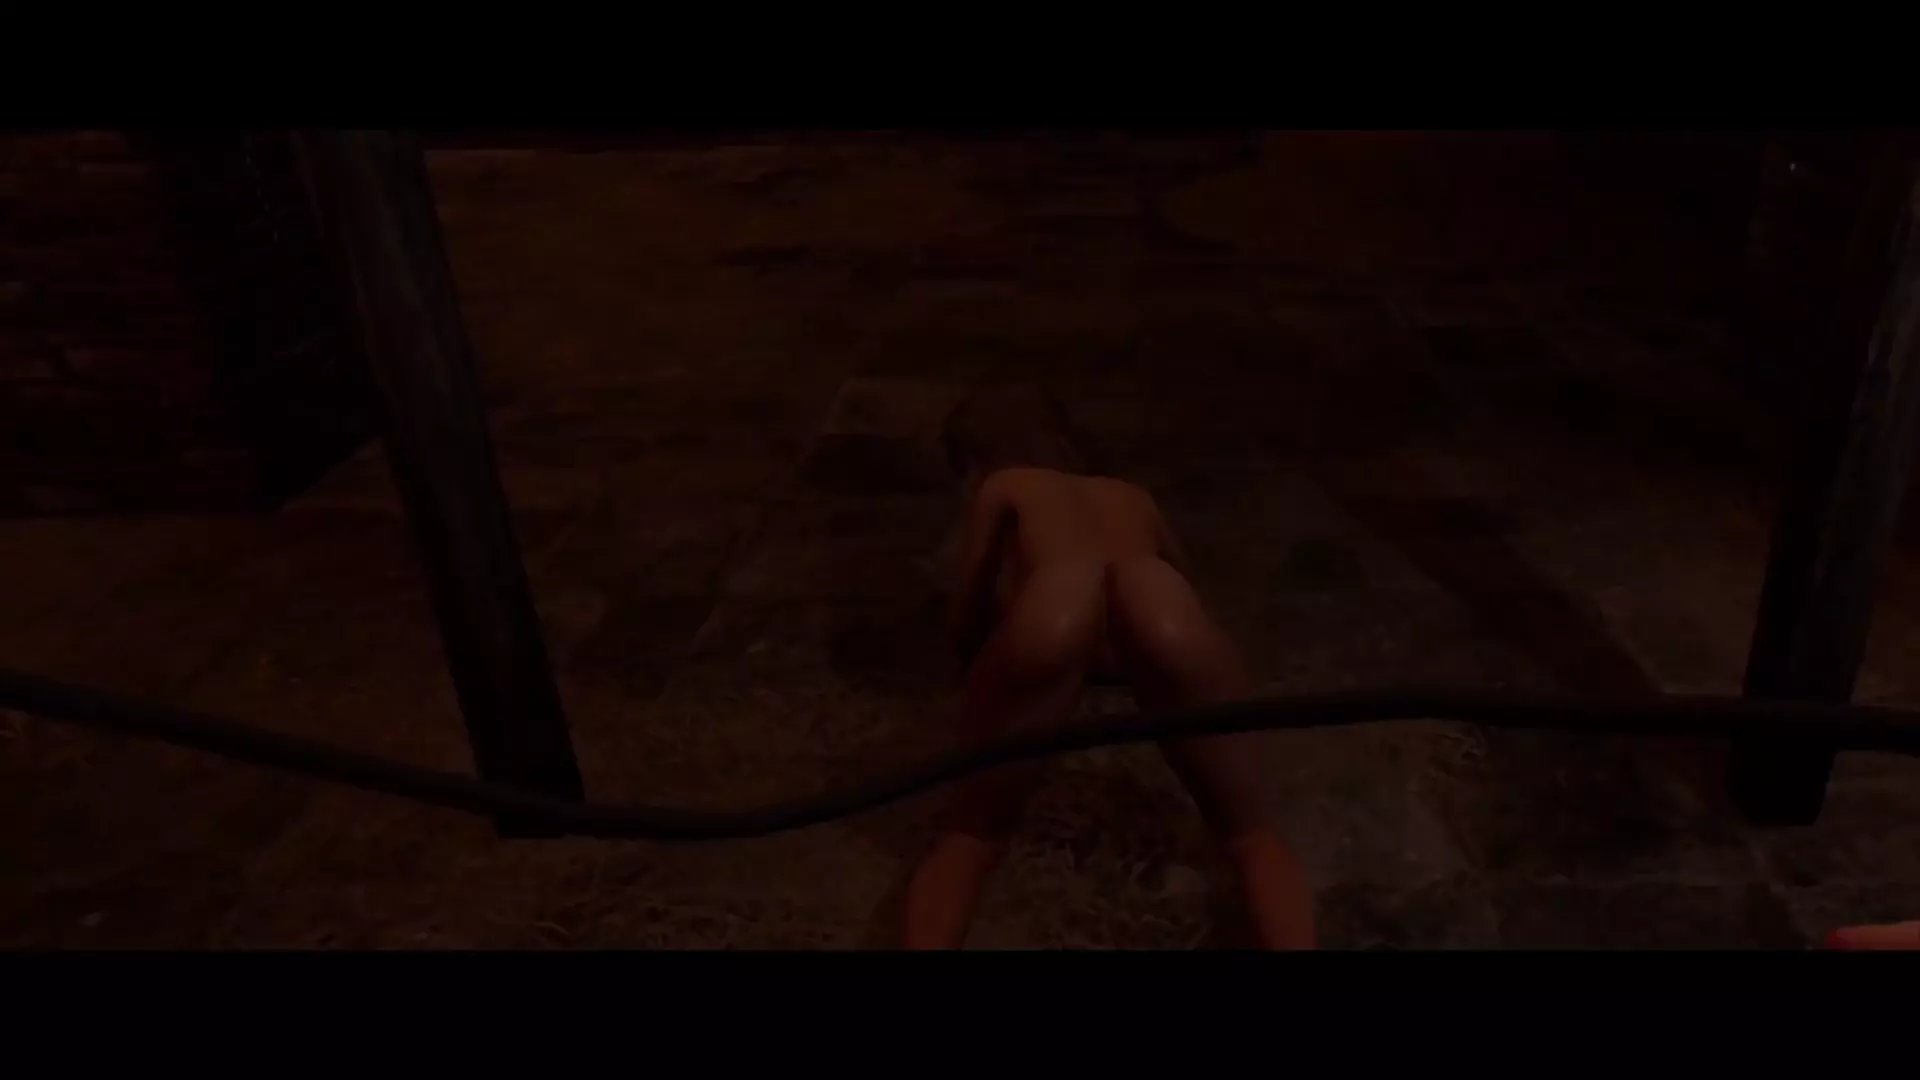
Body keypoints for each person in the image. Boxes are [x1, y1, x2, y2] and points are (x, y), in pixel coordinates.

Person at [902, 385, 1315, 949]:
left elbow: (965, 619)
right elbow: (1188, 584)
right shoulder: (1130, 495)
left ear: (973, 458)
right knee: (1251, 833)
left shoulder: (1004, 486)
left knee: (971, 835)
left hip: (1060, 602)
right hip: (1153, 593)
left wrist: (989, 659)